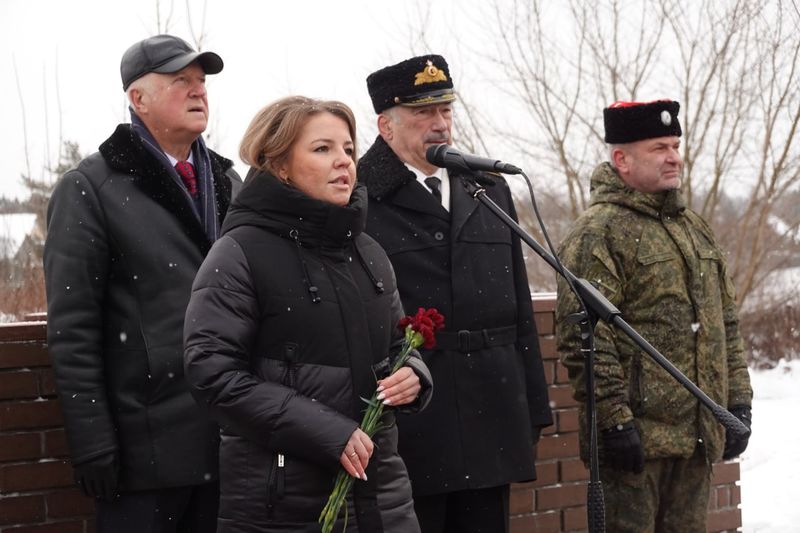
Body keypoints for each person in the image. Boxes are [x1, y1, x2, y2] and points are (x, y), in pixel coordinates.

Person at [183, 96, 433, 532]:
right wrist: (326, 432)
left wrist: (413, 374)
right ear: (280, 164)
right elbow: (212, 373)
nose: (344, 162)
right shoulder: (239, 252)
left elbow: (396, 346)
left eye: (349, 150)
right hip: (282, 503)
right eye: (323, 149)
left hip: (383, 497)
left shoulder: (368, 252)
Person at [43, 34, 241, 532]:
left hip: (232, 441)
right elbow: (73, 330)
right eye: (180, 81)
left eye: (201, 82)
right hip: (144, 454)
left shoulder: (229, 182)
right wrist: (92, 442)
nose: (199, 92)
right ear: (138, 98)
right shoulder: (91, 188)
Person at [357, 54, 553, 533]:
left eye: (445, 110)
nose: (439, 124)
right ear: (386, 125)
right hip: (417, 418)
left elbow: (519, 305)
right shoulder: (361, 198)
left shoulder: (487, 188)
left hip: (493, 406)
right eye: (423, 113)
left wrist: (533, 404)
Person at [555, 100, 753, 532]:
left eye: (676, 145)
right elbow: (583, 340)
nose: (674, 157)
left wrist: (737, 402)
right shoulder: (597, 232)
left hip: (696, 437)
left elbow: (725, 324)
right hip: (635, 446)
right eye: (659, 147)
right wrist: (614, 421)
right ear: (621, 159)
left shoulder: (693, 227)